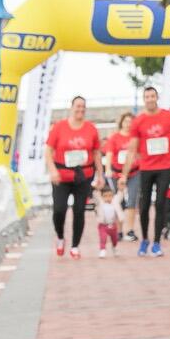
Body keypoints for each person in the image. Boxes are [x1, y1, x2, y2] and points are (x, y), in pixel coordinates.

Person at [124, 85, 170, 257]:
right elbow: (132, 149)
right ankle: (144, 240)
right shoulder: (138, 121)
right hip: (146, 168)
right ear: (144, 99)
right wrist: (124, 174)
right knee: (143, 207)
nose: (150, 99)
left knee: (160, 204)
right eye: (147, 96)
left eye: (153, 96)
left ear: (157, 98)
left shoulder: (169, 116)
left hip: (165, 167)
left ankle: (157, 242)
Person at [44, 95, 102, 259]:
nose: (80, 109)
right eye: (78, 106)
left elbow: (96, 152)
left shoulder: (91, 128)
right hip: (61, 176)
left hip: (83, 175)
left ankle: (75, 246)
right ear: (71, 107)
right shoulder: (59, 127)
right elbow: (48, 150)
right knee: (59, 210)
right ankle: (61, 237)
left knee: (79, 211)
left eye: (83, 106)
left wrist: (100, 175)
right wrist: (52, 170)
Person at [103, 111, 137, 239]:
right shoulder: (114, 137)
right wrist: (108, 170)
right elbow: (109, 154)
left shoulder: (135, 138)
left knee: (132, 200)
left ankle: (130, 229)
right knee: (118, 202)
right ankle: (118, 231)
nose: (128, 124)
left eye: (131, 122)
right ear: (122, 122)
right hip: (116, 173)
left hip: (134, 172)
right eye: (126, 121)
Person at [93, 185, 123, 258]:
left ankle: (114, 247)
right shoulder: (100, 203)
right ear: (102, 196)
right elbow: (96, 196)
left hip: (113, 225)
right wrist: (97, 189)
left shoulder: (115, 202)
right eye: (105, 196)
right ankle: (102, 250)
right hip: (103, 225)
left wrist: (121, 190)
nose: (108, 198)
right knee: (103, 238)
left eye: (110, 196)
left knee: (115, 239)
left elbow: (120, 196)